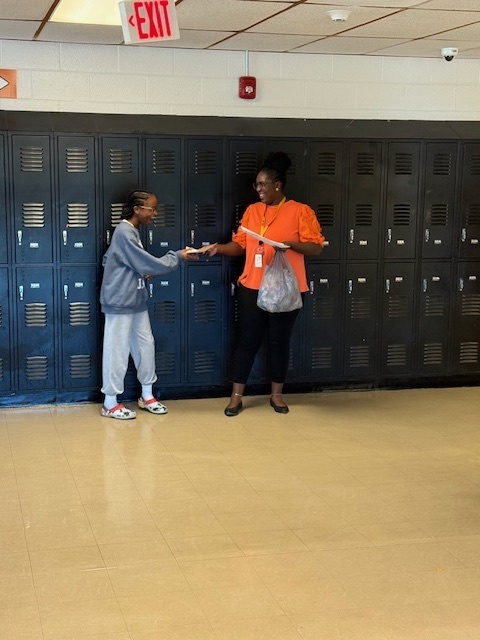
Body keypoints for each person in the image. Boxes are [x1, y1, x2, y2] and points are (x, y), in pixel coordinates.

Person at [205, 152, 325, 416]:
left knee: (279, 342)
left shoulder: (300, 211)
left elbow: (316, 247)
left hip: (287, 290)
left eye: (262, 185)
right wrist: (219, 249)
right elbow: (240, 245)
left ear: (277, 185)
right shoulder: (252, 211)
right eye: (256, 185)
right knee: (247, 341)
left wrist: (290, 244)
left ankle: (277, 396)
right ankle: (236, 397)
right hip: (253, 287)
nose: (258, 189)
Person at [100, 188, 197, 420]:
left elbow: (112, 259)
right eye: (151, 209)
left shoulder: (132, 231)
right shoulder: (124, 231)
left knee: (145, 346)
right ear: (137, 209)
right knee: (117, 350)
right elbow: (144, 262)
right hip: (120, 301)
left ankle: (147, 394)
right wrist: (178, 256)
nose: (154, 213)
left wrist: (139, 271)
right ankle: (110, 402)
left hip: (136, 300)